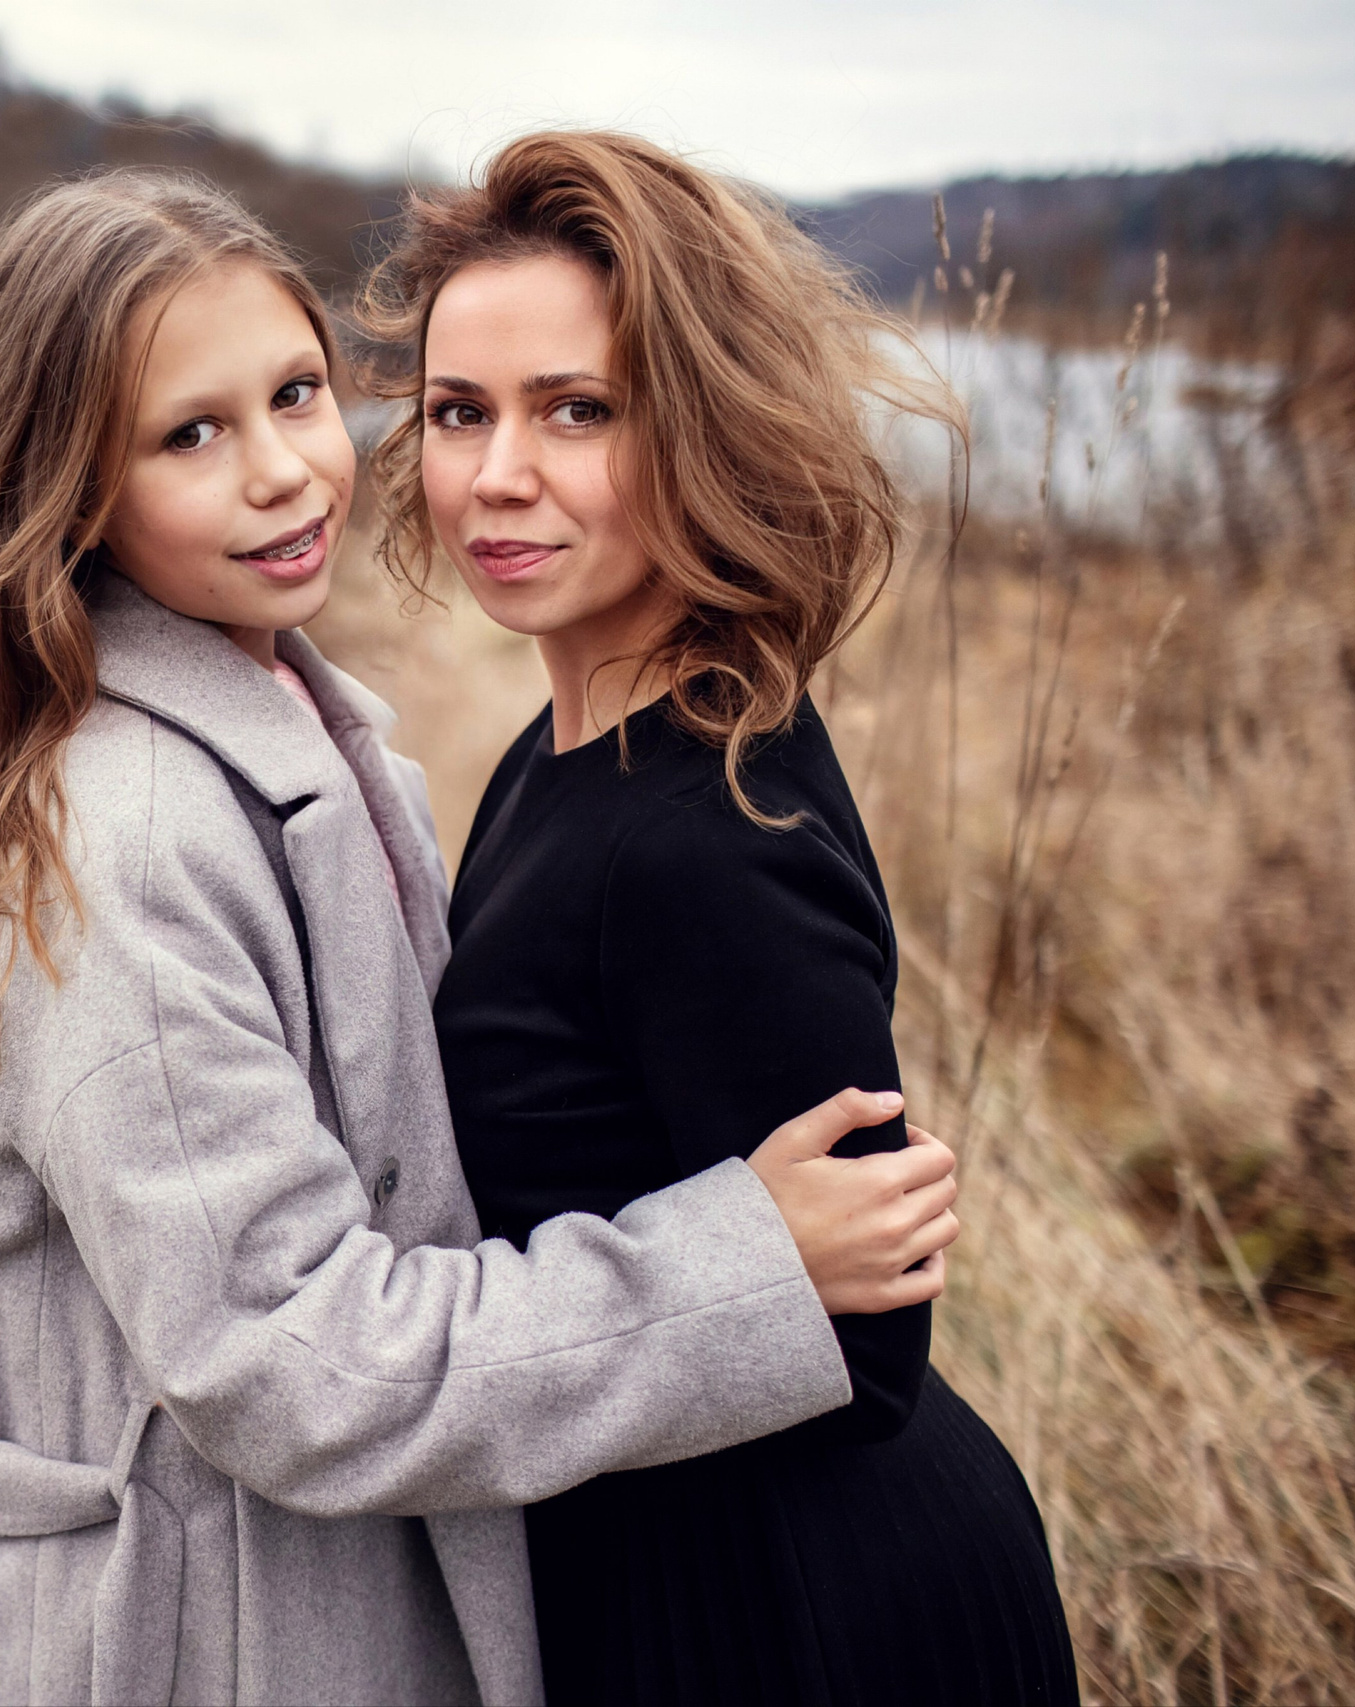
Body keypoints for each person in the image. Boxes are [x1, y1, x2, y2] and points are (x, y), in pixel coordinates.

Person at [0, 167, 961, 1707]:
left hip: (373, 1594)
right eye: (191, 434)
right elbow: (291, 1357)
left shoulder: (346, 758)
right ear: (69, 488)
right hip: (182, 1640)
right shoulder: (122, 845)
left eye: (296, 394)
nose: (284, 473)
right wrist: (739, 1269)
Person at [364, 130, 1079, 1704]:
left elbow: (869, 1350)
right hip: (665, 1567)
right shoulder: (565, 759)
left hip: (792, 1615)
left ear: (697, 427)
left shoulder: (706, 831)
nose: (498, 474)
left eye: (577, 410)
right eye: (460, 411)